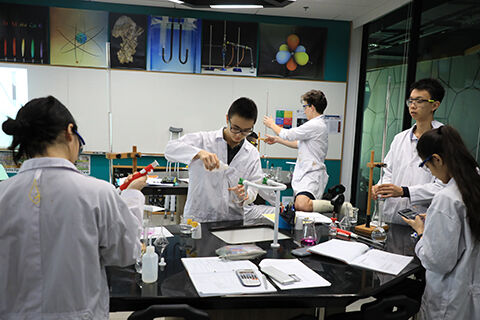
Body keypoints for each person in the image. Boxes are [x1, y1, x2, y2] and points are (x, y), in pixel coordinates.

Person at [0, 96, 146, 319]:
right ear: (70, 132)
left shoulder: (3, 194)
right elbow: (125, 253)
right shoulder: (98, 193)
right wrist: (133, 196)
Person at [402, 125, 480, 319]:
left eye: (427, 167)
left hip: (450, 298)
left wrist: (422, 232)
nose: (431, 173)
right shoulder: (474, 185)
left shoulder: (447, 199)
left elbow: (437, 261)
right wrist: (439, 223)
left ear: (437, 159)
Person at [165, 97, 264, 222]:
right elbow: (169, 150)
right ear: (227, 119)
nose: (239, 135)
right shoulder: (203, 140)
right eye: (235, 128)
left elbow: (254, 186)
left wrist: (246, 195)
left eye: (246, 131)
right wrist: (199, 153)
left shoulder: (252, 154)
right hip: (199, 218)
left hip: (232, 220)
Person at [372, 78, 446, 224]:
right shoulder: (400, 138)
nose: (413, 106)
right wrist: (382, 187)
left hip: (424, 221)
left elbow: (444, 186)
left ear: (435, 105)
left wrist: (405, 191)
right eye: (411, 101)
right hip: (392, 218)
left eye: (419, 101)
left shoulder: (444, 139)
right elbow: (388, 172)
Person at [263, 89, 328, 212]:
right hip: (305, 173)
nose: (304, 111)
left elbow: (288, 134)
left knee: (302, 205)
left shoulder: (315, 125)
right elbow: (298, 144)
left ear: (312, 107)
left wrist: (272, 124)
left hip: (311, 173)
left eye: (305, 107)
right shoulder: (316, 125)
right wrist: (277, 139)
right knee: (300, 209)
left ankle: (333, 205)